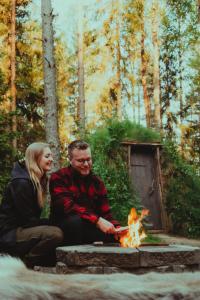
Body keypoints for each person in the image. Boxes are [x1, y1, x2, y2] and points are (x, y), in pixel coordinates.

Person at [0, 142, 63, 268]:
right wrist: (51, 222)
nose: (51, 159)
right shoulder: (22, 183)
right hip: (9, 234)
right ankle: (24, 265)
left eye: (51, 156)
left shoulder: (38, 179)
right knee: (55, 233)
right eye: (47, 156)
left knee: (58, 228)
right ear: (35, 158)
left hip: (21, 229)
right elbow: (27, 220)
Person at [49, 140, 122, 245]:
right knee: (75, 222)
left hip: (89, 226)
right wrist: (97, 221)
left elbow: (105, 212)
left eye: (88, 159)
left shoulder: (97, 182)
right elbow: (69, 207)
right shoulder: (59, 177)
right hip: (65, 227)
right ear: (70, 160)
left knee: (115, 236)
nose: (86, 164)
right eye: (81, 161)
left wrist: (116, 227)